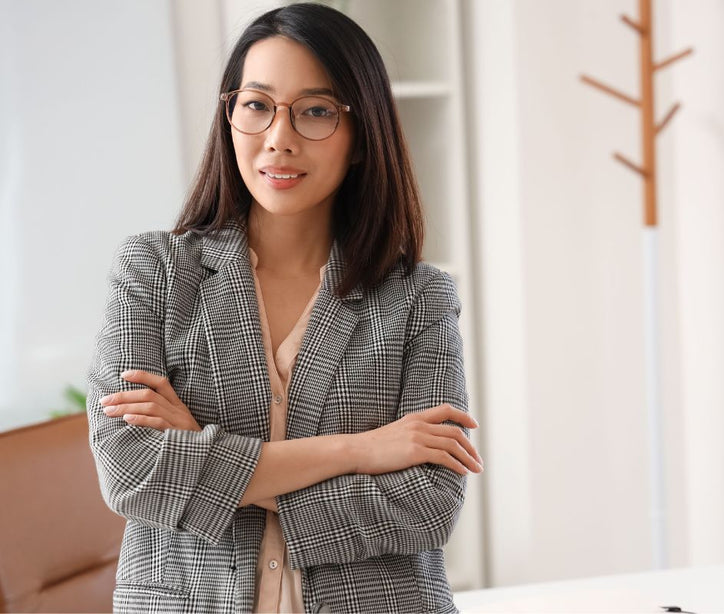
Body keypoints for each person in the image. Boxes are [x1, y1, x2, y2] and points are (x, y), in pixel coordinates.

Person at [86, 4, 482, 613]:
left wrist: (203, 453)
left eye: (317, 111)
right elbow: (133, 472)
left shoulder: (419, 297)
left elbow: (426, 504)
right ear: (230, 115)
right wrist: (364, 450)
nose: (279, 138)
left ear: (360, 136)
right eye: (257, 105)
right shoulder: (155, 273)